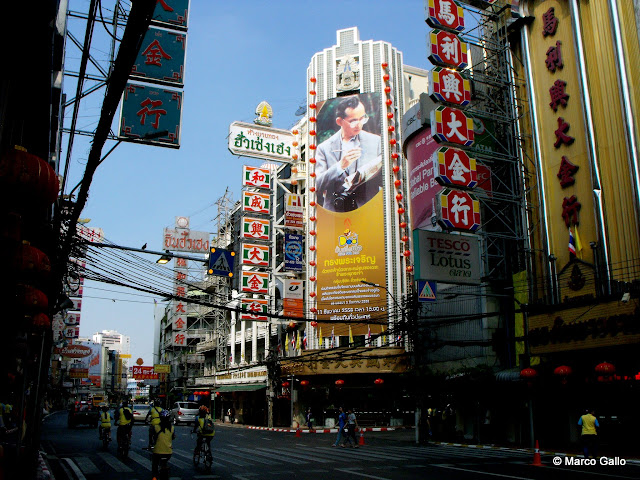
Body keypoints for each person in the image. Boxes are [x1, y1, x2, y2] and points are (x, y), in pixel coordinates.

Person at [315, 95, 382, 212]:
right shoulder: (324, 148)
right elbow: (317, 185)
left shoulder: (376, 142)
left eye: (362, 118)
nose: (359, 124)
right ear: (339, 121)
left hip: (368, 212)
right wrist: (340, 166)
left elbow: (386, 179)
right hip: (335, 215)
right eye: (353, 121)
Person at [151, 410, 175, 480]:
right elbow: (173, 437)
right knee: (164, 463)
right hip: (168, 452)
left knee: (155, 466)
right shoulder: (172, 428)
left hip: (157, 451)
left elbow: (152, 437)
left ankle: (154, 477)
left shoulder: (155, 427)